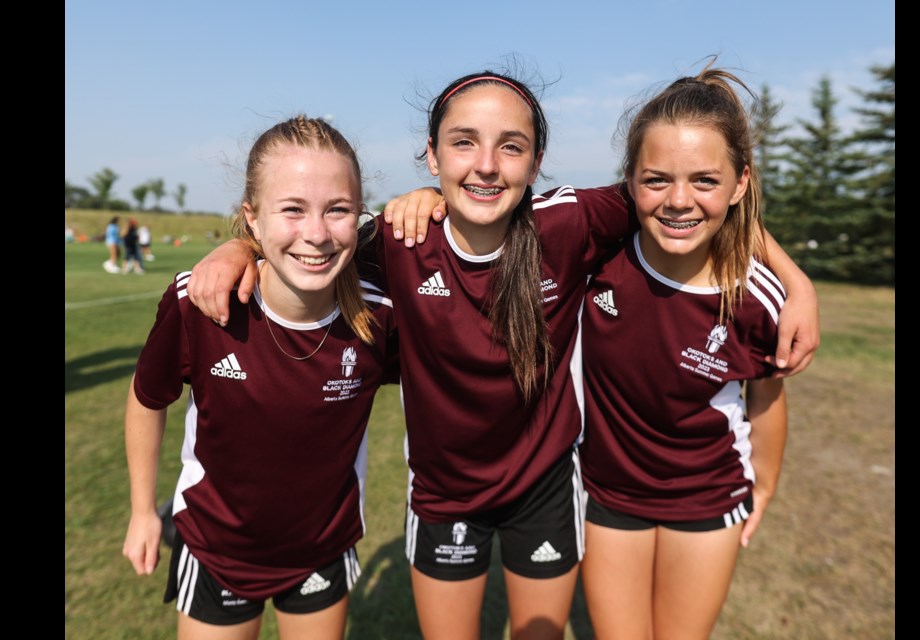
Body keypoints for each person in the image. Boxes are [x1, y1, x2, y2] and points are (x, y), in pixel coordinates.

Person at [185, 71, 819, 640]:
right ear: (430, 155)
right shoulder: (403, 236)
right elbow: (311, 233)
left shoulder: (570, 222)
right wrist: (239, 250)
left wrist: (796, 283)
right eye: (463, 142)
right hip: (442, 495)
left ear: (537, 160)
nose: (486, 165)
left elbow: (687, 200)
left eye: (510, 146)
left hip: (546, 485)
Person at [122, 115, 397, 640]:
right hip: (215, 547)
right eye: (292, 209)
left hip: (322, 548)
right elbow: (147, 398)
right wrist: (141, 511)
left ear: (359, 216)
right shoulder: (200, 305)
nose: (316, 234)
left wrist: (428, 197)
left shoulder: (380, 317)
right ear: (252, 217)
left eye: (337, 210)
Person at [577, 66, 791, 639]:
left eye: (704, 180)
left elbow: (767, 400)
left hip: (707, 495)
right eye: (656, 180)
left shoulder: (759, 297)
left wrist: (765, 486)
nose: (679, 201)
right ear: (629, 180)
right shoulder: (594, 263)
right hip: (607, 492)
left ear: (739, 184)